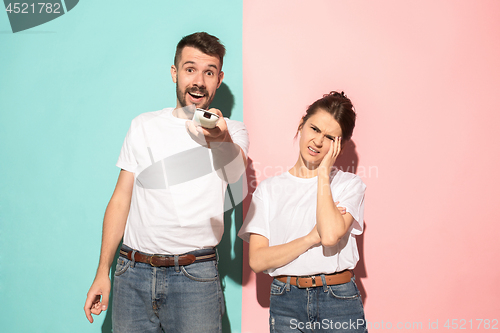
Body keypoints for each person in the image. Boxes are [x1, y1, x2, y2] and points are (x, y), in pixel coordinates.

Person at [84, 32, 249, 333]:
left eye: (209, 72)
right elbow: (121, 199)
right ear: (175, 73)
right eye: (190, 69)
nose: (198, 80)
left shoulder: (233, 131)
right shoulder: (143, 125)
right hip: (131, 274)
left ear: (219, 78)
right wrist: (101, 273)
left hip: (195, 277)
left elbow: (237, 172)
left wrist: (219, 137)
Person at [238, 91, 367, 332]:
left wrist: (322, 175)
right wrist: (310, 238)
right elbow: (257, 260)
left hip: (338, 298)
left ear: (340, 145)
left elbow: (329, 236)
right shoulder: (268, 190)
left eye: (330, 137)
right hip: (287, 301)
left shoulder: (350, 185)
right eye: (314, 129)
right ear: (302, 124)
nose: (318, 141)